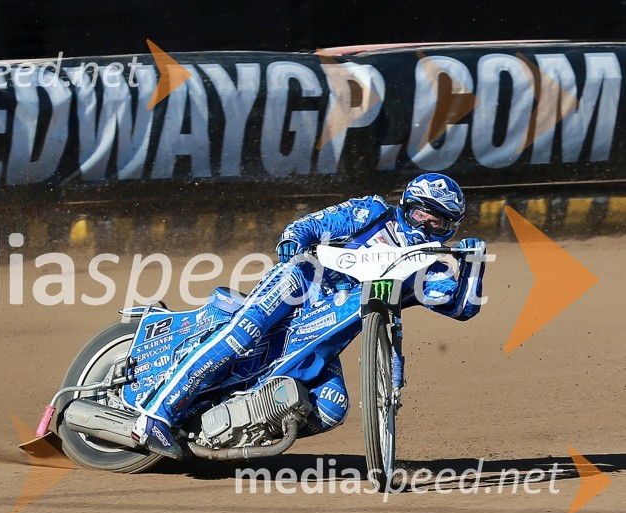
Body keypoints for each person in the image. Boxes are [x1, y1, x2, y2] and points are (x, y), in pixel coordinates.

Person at [131, 173, 487, 459]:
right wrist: (293, 240)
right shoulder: (371, 212)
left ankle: (225, 432)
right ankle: (155, 415)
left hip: (326, 333)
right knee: (241, 336)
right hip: (301, 283)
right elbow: (313, 224)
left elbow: (461, 307)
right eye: (421, 212)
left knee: (332, 408)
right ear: (406, 206)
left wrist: (473, 265)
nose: (427, 223)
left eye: (438, 220)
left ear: (450, 227)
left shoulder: (433, 263)